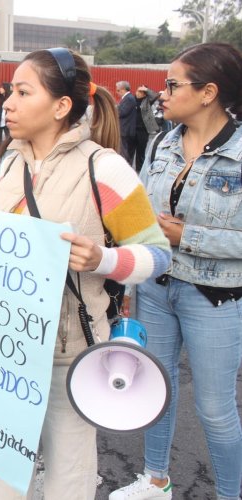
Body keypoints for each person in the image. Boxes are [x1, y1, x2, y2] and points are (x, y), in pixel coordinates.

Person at [0, 48, 171, 499]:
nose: (7, 103)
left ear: (60, 106)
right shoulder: (9, 163)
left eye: (22, 91)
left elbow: (157, 254)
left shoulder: (104, 168)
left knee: (68, 474)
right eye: (10, 92)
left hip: (65, 352)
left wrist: (102, 260)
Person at [110, 42, 242, 500]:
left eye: (172, 85)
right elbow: (141, 210)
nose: (161, 93)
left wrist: (188, 237)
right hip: (156, 287)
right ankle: (155, 479)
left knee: (215, 409)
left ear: (208, 92)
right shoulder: (163, 141)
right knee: (155, 390)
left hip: (214, 296)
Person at [134, 84, 161, 173]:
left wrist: (146, 89)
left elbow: (155, 95)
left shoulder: (147, 101)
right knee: (129, 151)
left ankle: (140, 170)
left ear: (145, 94)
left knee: (141, 152)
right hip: (132, 129)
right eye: (138, 91)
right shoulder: (132, 100)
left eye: (141, 92)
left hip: (143, 130)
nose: (138, 93)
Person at [116, 80, 138, 166]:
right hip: (125, 129)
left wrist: (114, 109)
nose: (117, 92)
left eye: (118, 90)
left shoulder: (129, 98)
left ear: (123, 89)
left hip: (125, 130)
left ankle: (125, 167)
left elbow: (122, 112)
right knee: (124, 151)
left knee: (124, 152)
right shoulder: (127, 98)